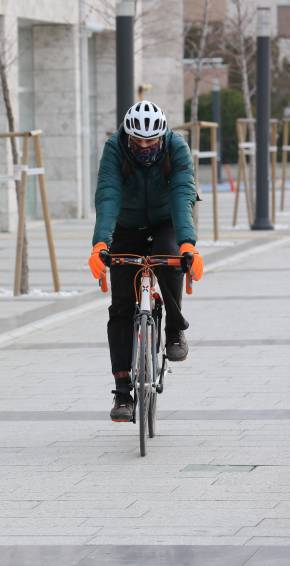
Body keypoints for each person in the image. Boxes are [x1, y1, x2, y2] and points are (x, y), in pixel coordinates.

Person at [88, 100, 204, 422]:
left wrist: (187, 245)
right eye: (137, 141)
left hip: (166, 221)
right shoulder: (114, 149)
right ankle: (123, 392)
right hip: (126, 225)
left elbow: (183, 193)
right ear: (128, 135)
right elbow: (108, 193)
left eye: (150, 141)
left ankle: (175, 329)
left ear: (161, 136)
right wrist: (101, 243)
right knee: (122, 306)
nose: (143, 147)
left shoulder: (176, 147)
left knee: (169, 264)